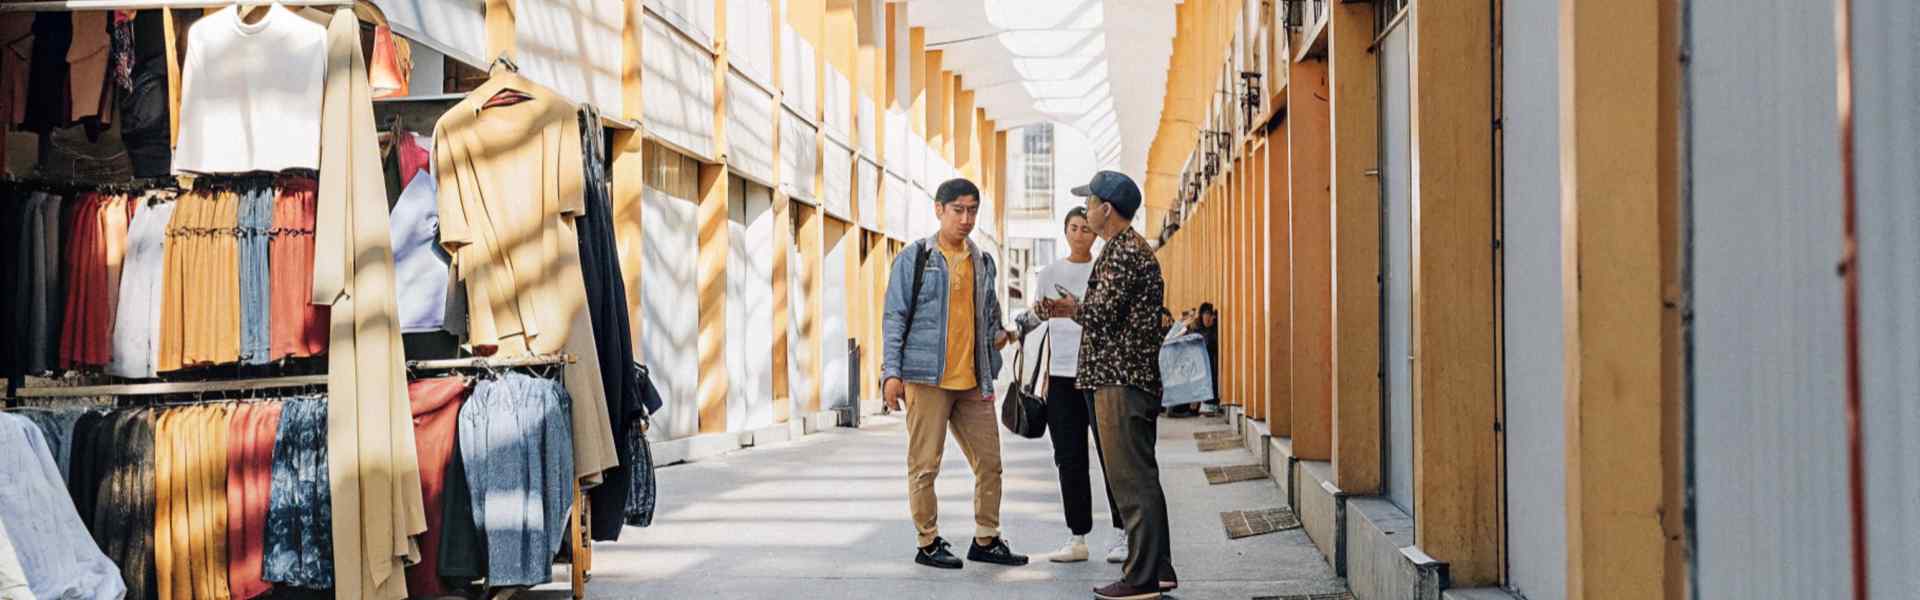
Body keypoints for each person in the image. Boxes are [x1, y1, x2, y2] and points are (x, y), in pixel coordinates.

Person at [1039, 170, 1178, 599]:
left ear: (1107, 210)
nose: (1085, 210)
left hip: (1120, 380)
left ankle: (1141, 579)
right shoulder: (1125, 249)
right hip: (1126, 377)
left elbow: (1101, 315)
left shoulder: (1121, 253)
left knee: (1130, 481)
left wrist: (1069, 308)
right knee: (1142, 476)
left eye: (1090, 203)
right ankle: (1160, 567)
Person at [880, 177, 1026, 570]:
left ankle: (986, 537)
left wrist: (1003, 335)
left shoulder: (983, 261)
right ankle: (927, 541)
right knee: (925, 465)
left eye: (972, 211)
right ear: (939, 209)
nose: (966, 219)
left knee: (990, 463)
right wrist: (891, 373)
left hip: (972, 381)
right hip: (925, 379)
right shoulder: (916, 259)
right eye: (958, 210)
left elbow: (989, 317)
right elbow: (895, 317)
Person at [1026, 207, 1127, 565]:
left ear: (1095, 233)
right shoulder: (1050, 272)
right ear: (1065, 231)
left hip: (1097, 375)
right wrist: (1039, 311)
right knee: (1069, 458)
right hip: (1061, 376)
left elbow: (1112, 317)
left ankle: (1121, 534)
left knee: (1110, 455)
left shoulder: (1106, 269)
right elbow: (1036, 319)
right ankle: (1077, 536)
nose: (1080, 234)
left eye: (1086, 228)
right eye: (1074, 228)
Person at [1194, 303, 1222, 416]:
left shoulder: (1215, 329)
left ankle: (1211, 403)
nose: (1206, 317)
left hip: (1212, 363)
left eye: (1209, 314)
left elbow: (1212, 344)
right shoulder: (1198, 329)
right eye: (1204, 314)